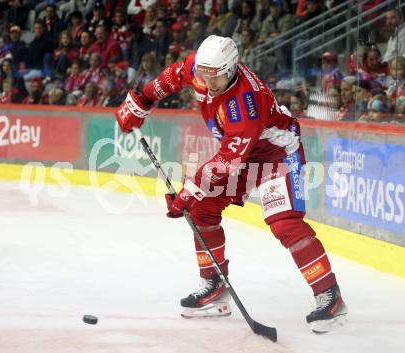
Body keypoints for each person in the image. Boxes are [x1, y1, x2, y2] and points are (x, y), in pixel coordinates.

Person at [115, 35, 348, 333]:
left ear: (232, 69)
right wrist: (142, 101)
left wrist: (190, 189)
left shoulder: (246, 103)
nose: (207, 82)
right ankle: (214, 285)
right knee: (201, 210)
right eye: (203, 74)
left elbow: (228, 161)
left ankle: (330, 295)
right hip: (243, 154)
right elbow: (171, 76)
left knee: (284, 223)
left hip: (276, 154)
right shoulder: (203, 68)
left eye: (216, 77)